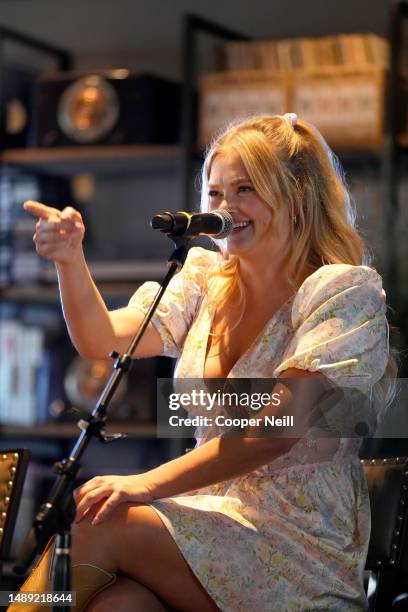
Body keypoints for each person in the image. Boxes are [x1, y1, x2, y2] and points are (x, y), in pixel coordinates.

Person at [11, 113, 391, 612]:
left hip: (298, 544)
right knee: (120, 605)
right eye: (214, 193)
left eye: (245, 189)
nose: (225, 207)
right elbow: (102, 340)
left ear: (297, 195)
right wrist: (69, 260)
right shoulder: (205, 280)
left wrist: (143, 484)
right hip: (210, 518)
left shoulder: (341, 291)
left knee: (99, 523)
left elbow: (272, 430)